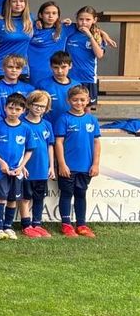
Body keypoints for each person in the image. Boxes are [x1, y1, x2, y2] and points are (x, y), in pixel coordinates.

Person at [54, 85, 101, 237]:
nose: (79, 103)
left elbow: (96, 143)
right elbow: (59, 142)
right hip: (68, 166)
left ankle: (81, 225)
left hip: (85, 166)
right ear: (68, 101)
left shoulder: (92, 120)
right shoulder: (63, 119)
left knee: (81, 194)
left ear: (88, 100)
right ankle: (66, 225)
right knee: (67, 193)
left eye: (82, 100)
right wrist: (61, 164)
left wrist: (95, 164)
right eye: (75, 100)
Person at [0, 93, 32, 239]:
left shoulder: (26, 128)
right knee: (1, 198)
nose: (13, 112)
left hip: (17, 170)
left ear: (23, 111)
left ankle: (8, 226)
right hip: (1, 170)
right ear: (5, 108)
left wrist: (21, 166)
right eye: (11, 108)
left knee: (13, 199)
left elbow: (29, 150)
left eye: (17, 109)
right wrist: (1, 163)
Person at [21, 90, 55, 238]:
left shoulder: (47, 125)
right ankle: (26, 225)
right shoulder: (21, 123)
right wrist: (21, 165)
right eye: (36, 105)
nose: (39, 108)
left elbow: (50, 146)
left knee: (39, 197)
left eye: (42, 106)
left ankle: (37, 224)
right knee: (25, 197)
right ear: (29, 104)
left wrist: (51, 166)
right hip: (27, 168)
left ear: (47, 108)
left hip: (42, 168)